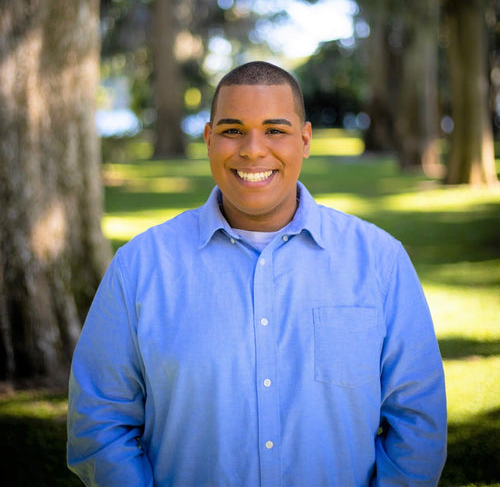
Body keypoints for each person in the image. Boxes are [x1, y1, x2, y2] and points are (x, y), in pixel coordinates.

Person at [67, 61, 447, 486]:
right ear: (209, 139)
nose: (252, 149)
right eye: (232, 130)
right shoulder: (139, 266)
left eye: (274, 130)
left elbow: (417, 422)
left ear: (304, 140)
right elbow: (100, 421)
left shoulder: (380, 262)